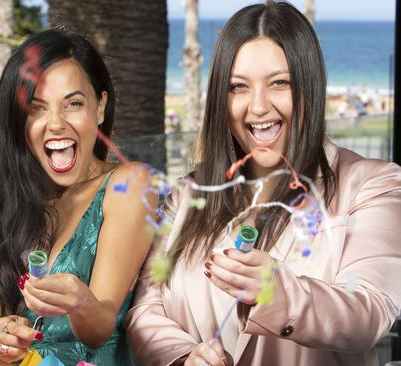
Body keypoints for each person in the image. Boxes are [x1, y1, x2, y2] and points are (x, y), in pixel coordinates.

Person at [125, 2, 401, 365]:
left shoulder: (373, 185)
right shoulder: (187, 194)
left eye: (279, 83)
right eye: (238, 87)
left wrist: (278, 292)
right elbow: (146, 307)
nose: (257, 106)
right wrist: (183, 356)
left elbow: (370, 313)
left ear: (310, 87)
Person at [0, 28, 156, 365]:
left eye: (73, 104)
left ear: (100, 108)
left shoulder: (129, 184)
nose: (55, 123)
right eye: (37, 108)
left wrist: (81, 303)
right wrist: (1, 332)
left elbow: (101, 327)